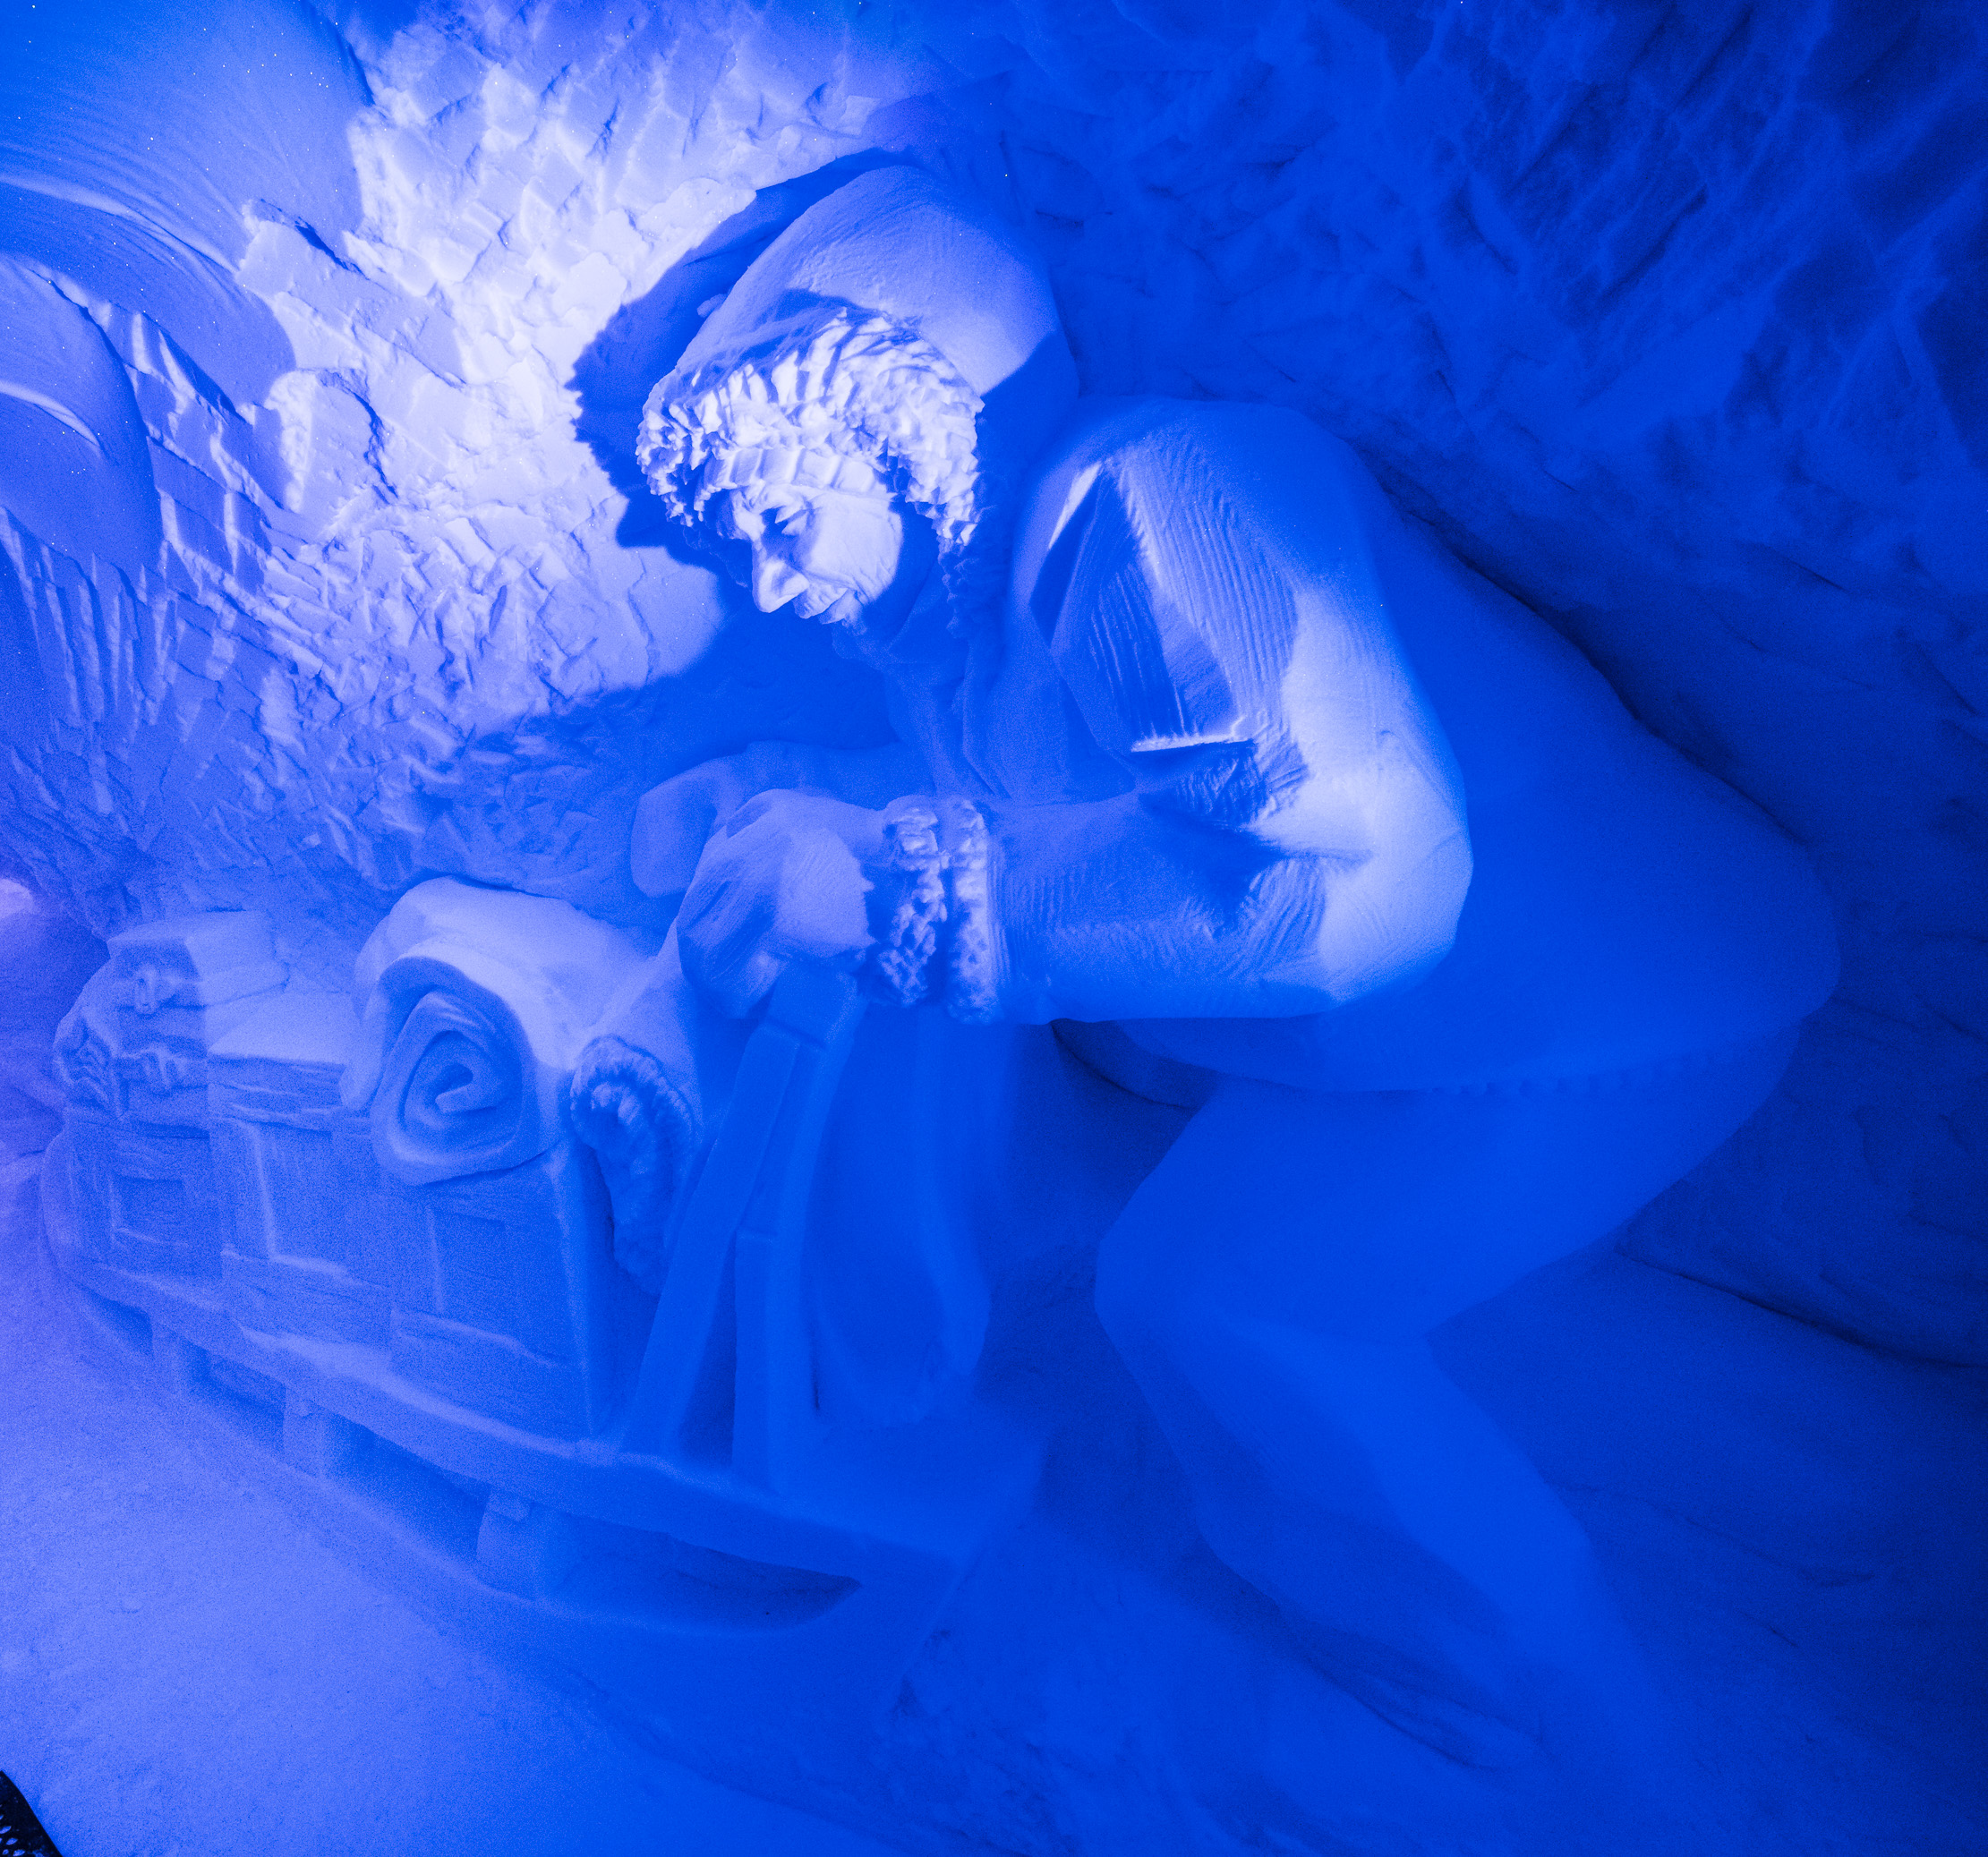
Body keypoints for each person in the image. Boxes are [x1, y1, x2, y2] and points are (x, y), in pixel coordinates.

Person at [623, 167, 1839, 1765]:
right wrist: (777, 789)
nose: (773, 584)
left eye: (783, 522)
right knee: (1211, 1283)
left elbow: (1346, 876)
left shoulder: (1150, 499)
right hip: (1428, 1034)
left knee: (1237, 1305)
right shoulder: (966, 613)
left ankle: (1574, 1725)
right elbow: (1049, 795)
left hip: (1590, 1002)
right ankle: (1695, 1532)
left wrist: (888, 889)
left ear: (902, 441)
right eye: (740, 547)